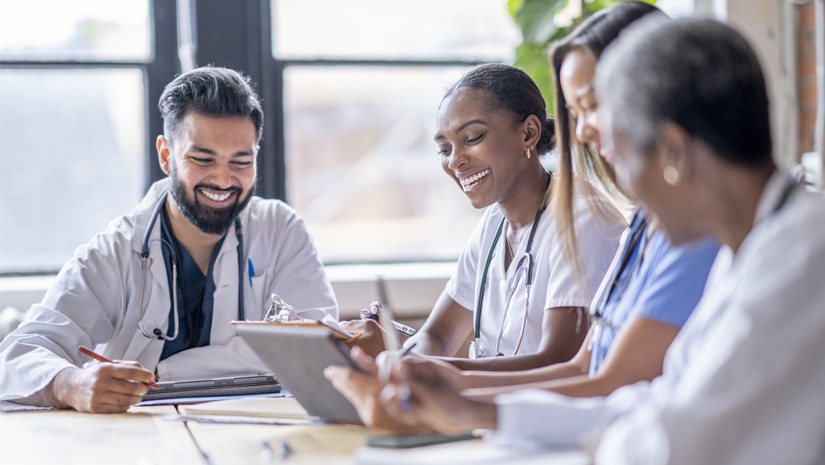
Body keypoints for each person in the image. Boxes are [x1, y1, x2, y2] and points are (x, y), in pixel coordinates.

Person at [373, 18, 825, 464]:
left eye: (623, 159)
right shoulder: (747, 249)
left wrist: (475, 402)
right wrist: (473, 408)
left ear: (673, 153)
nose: (628, 201)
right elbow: (651, 402)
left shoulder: (796, 261)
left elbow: (675, 439)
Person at [327, 0, 718, 425]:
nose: (584, 131)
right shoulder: (647, 227)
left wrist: (455, 396)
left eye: (593, 107)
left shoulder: (632, 225)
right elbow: (582, 368)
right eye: (444, 148)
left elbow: (585, 369)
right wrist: (416, 373)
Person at [0, 67, 337, 413]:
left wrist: (163, 372)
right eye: (202, 159)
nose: (223, 179)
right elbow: (18, 354)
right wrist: (71, 384)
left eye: (241, 160)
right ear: (166, 155)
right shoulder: (114, 252)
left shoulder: (281, 231)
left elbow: (318, 355)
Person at [346, 63, 623, 372]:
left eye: (473, 137)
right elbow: (437, 337)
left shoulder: (583, 220)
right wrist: (397, 356)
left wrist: (432, 373)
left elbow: (560, 363)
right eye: (444, 148)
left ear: (528, 133)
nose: (455, 161)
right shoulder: (494, 224)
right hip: (493, 410)